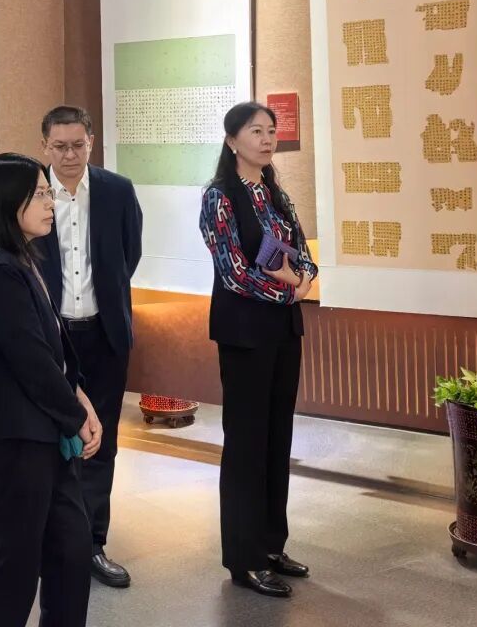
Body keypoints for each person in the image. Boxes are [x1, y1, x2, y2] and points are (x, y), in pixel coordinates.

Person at [0, 152, 102, 627]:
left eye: (47, 192)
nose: (50, 202)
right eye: (39, 194)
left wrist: (79, 396)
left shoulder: (19, 258)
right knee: (16, 562)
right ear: (7, 201)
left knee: (70, 549)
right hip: (14, 436)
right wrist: (76, 415)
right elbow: (30, 360)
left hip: (42, 429)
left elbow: (50, 346)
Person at [198, 101, 317, 599]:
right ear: (232, 141)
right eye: (256, 132)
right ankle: (244, 558)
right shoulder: (219, 197)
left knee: (276, 437)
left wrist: (304, 278)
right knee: (246, 443)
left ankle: (271, 545)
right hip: (244, 332)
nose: (267, 140)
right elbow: (233, 272)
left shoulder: (275, 192)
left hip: (283, 331)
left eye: (271, 131)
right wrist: (289, 291)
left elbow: (303, 254)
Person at [35, 105, 142, 587]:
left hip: (104, 334)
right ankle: (51, 539)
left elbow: (128, 254)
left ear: (91, 143)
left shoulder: (116, 190)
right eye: (59, 146)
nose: (70, 154)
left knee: (103, 441)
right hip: (50, 335)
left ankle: (92, 543)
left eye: (78, 145)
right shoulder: (32, 193)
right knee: (52, 439)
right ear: (44, 146)